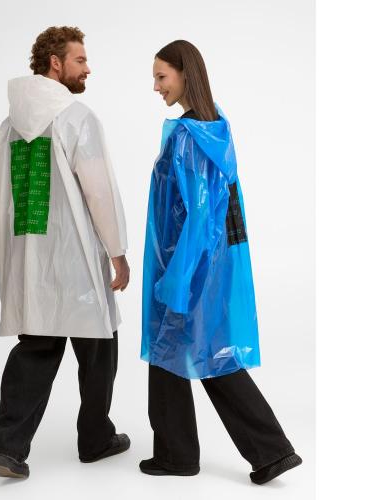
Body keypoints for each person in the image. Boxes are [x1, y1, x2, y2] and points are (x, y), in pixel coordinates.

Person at [139, 40, 302, 485]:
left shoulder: (188, 137)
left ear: (185, 74)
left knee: (169, 349)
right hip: (213, 265)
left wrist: (176, 278)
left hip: (188, 266)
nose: (156, 86)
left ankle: (177, 455)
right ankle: (271, 452)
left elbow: (197, 215)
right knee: (209, 353)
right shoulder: (216, 126)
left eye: (161, 76)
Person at [0, 26, 130, 479]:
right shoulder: (77, 118)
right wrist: (117, 251)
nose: (88, 68)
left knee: (36, 348)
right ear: (55, 63)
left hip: (30, 259)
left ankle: (7, 448)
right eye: (80, 60)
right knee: (100, 345)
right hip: (77, 257)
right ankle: (96, 438)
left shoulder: (9, 125)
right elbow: (99, 191)